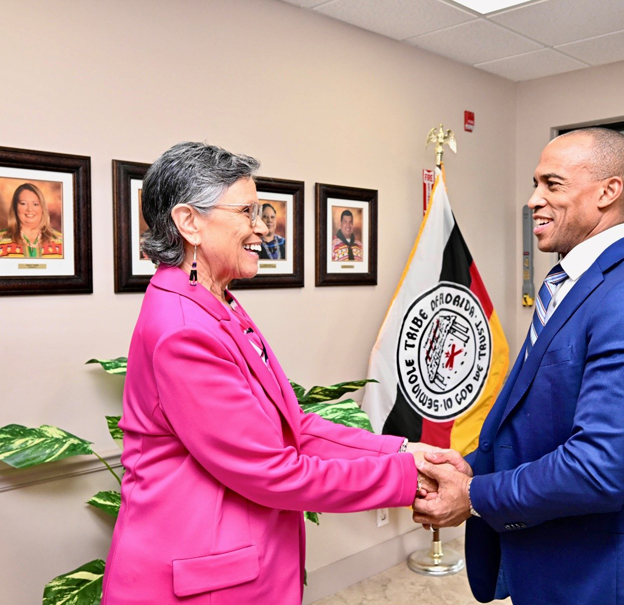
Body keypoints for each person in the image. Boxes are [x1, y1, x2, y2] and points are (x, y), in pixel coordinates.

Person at [101, 142, 437, 605]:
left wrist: (400, 450)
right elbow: (271, 471)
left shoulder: (216, 303)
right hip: (200, 581)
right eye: (247, 212)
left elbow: (291, 426)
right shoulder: (183, 330)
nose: (262, 227)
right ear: (189, 222)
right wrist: (405, 479)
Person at [413, 128, 624, 605]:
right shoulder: (567, 282)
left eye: (552, 184)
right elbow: (538, 420)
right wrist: (467, 469)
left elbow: (599, 468)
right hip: (549, 560)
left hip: (606, 575)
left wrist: (475, 495)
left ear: (608, 192)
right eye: (535, 184)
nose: (533, 200)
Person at [0, 182, 63, 258]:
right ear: (15, 207)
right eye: (23, 203)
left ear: (42, 208)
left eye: (35, 204)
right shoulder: (1, 239)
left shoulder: (61, 241)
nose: (29, 209)